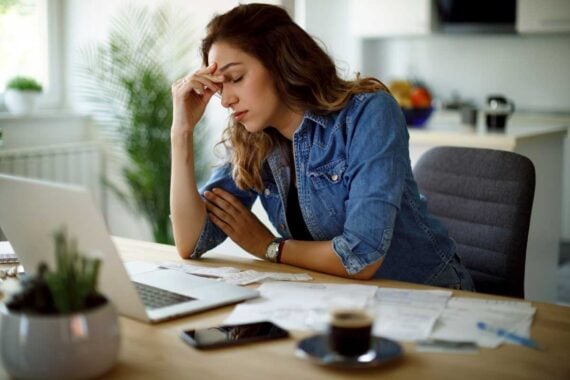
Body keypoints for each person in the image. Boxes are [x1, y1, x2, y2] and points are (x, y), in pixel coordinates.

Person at [169, 3, 474, 290]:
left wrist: (268, 247)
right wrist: (181, 131)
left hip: (427, 297)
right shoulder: (253, 137)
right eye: (220, 86)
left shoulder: (368, 114)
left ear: (280, 62)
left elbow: (361, 256)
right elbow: (192, 242)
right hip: (334, 300)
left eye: (235, 78)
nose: (225, 100)